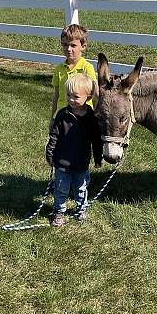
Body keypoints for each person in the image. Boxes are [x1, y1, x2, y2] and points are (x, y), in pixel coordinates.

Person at [45, 73, 103, 226]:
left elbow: (96, 141)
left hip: (81, 164)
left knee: (81, 188)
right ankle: (58, 212)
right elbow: (54, 136)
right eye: (69, 95)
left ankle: (81, 209)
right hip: (62, 163)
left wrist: (98, 158)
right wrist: (50, 153)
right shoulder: (62, 115)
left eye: (76, 97)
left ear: (88, 97)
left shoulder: (91, 118)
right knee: (60, 189)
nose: (71, 99)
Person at [50, 24, 98, 121]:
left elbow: (96, 95)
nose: (68, 49)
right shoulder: (59, 69)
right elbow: (56, 95)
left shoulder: (87, 68)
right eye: (65, 45)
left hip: (83, 117)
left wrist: (97, 118)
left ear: (83, 46)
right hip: (62, 116)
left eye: (73, 45)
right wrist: (53, 117)